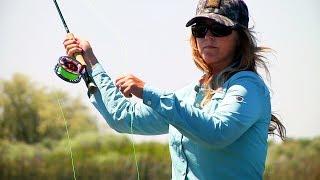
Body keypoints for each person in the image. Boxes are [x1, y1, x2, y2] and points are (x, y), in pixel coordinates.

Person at [63, 0, 286, 179]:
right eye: (200, 29)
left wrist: (147, 93)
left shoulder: (248, 86)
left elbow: (217, 133)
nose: (208, 37)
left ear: (241, 37)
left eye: (219, 29)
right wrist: (91, 61)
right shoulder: (190, 94)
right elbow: (122, 117)